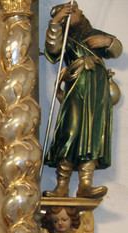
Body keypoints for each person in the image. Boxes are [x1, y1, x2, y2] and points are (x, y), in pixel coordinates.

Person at [43, 2, 122, 199]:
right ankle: (62, 185)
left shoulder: (94, 34)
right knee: (70, 130)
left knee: (93, 133)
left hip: (97, 89)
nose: (80, 13)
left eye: (77, 11)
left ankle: (85, 184)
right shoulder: (66, 39)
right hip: (77, 87)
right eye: (72, 12)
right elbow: (53, 49)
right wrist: (55, 22)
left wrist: (107, 42)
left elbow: (116, 50)